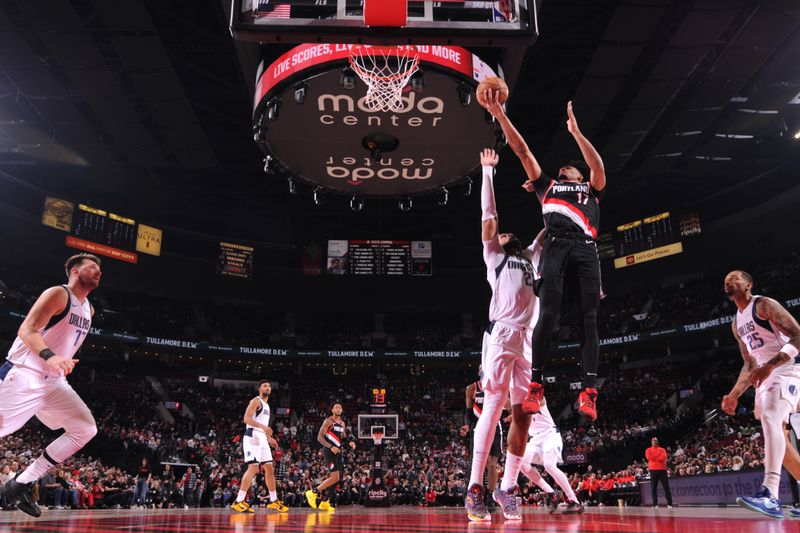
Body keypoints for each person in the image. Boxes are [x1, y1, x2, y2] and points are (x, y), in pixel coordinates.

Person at [481, 93, 606, 422]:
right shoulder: (546, 186)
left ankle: (589, 391)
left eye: (571, 168)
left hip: (586, 247)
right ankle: (536, 383)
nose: (565, 167)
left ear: (579, 178)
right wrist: (499, 114)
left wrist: (577, 134)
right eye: (563, 166)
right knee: (548, 313)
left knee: (589, 318)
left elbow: (597, 166)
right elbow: (522, 151)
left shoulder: (591, 189)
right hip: (556, 245)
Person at [464, 148, 543, 522]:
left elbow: (552, 225)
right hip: (501, 336)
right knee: (493, 411)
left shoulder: (530, 256)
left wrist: (546, 190)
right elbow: (489, 218)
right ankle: (474, 487)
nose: (509, 231)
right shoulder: (495, 256)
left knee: (524, 415)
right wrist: (487, 173)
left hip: (527, 339)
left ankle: (507, 488)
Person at [0, 253, 102, 517]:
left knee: (85, 428)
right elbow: (27, 330)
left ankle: (20, 483)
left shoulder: (89, 309)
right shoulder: (58, 294)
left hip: (54, 381)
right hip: (24, 374)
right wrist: (52, 357)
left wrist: (61, 362)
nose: (99, 271)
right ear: (76, 271)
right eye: (93, 267)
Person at [721, 270, 800, 519]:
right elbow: (750, 364)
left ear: (748, 285)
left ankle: (770, 494)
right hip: (766, 374)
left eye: (734, 277)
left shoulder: (763, 305)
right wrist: (734, 395)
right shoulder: (736, 323)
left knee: (770, 419)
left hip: (786, 367)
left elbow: (798, 334)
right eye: (726, 279)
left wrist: (771, 365)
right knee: (782, 443)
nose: (729, 280)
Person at [230, 380, 288, 513]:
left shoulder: (267, 406)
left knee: (269, 468)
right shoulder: (255, 401)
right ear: (259, 389)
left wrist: (269, 438)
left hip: (262, 437)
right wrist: (264, 428)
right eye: (265, 386)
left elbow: (262, 424)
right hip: (252, 436)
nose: (268, 388)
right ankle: (238, 501)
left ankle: (273, 501)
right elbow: (246, 419)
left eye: (269, 386)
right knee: (253, 468)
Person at [519, 396, 583, 514]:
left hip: (550, 435)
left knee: (549, 465)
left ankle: (575, 501)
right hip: (535, 439)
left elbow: (541, 399)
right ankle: (550, 492)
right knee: (520, 460)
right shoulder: (518, 398)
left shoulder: (537, 396)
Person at [460, 365, 506, 504]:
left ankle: (491, 495)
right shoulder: (472, 389)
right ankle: (478, 493)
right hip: (478, 426)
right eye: (481, 368)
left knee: (492, 464)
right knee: (481, 463)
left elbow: (507, 405)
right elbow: (468, 412)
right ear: (479, 371)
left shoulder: (498, 387)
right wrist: (467, 425)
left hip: (494, 425)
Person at [305, 402, 356, 512]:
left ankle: (325, 501)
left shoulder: (342, 423)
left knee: (338, 478)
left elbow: (343, 437)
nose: (338, 409)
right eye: (336, 407)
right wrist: (331, 446)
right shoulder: (328, 421)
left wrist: (350, 442)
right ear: (332, 410)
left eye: (340, 407)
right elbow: (319, 437)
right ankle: (313, 492)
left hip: (337, 451)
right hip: (329, 450)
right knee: (334, 477)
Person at [645, 437, 673, 508]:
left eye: (655, 441)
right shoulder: (648, 450)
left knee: (666, 487)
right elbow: (649, 457)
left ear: (658, 442)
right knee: (653, 488)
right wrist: (657, 456)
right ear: (651, 442)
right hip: (653, 470)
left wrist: (654, 457)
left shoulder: (662, 449)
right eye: (653, 441)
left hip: (662, 470)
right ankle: (655, 504)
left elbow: (663, 457)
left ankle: (669, 504)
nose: (654, 442)